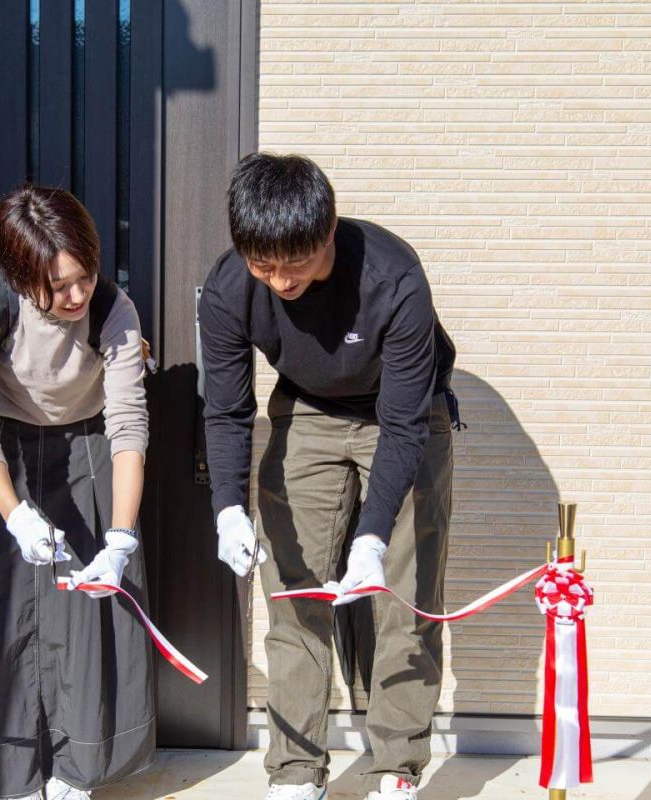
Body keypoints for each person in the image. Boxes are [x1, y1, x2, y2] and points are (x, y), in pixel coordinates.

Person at [199, 153, 460, 800]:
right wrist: (228, 508)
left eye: (297, 263)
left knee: (403, 591)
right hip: (308, 411)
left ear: (330, 231)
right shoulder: (231, 287)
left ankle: (395, 766)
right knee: (294, 591)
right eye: (265, 266)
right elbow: (228, 408)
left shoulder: (392, 275)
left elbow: (401, 427)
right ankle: (294, 772)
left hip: (401, 413)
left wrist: (372, 538)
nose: (281, 281)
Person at [0, 184, 154, 800]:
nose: (76, 295)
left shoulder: (114, 309)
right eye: (59, 287)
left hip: (87, 450)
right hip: (4, 458)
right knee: (7, 619)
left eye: (83, 277)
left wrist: (121, 534)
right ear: (19, 274)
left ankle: (76, 771)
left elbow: (129, 425)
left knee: (84, 617)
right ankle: (11, 771)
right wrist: (16, 517)